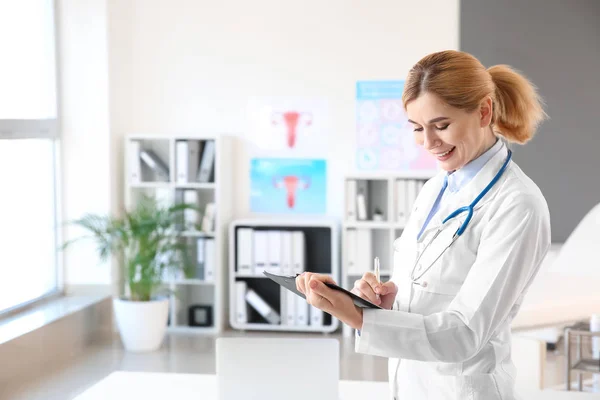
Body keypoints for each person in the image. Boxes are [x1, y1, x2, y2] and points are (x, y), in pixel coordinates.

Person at [296, 50, 551, 399]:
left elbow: (465, 332)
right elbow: (428, 288)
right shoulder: (436, 188)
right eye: (416, 128)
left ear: (484, 111)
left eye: (441, 126)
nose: (428, 143)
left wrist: (359, 319)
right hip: (411, 385)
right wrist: (382, 303)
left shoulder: (518, 205)